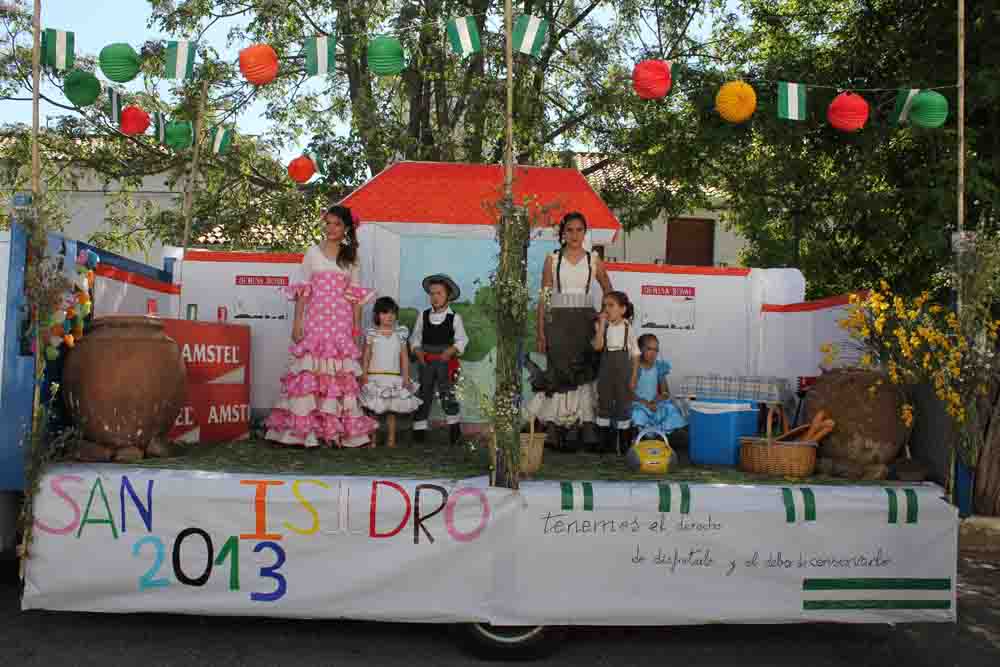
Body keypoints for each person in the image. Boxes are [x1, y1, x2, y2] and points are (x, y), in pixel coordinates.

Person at [265, 205, 378, 448]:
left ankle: (336, 433)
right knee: (310, 374)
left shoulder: (352, 258)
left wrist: (356, 330)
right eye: (328, 223)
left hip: (341, 324)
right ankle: (306, 433)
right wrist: (297, 323)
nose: (331, 228)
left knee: (337, 378)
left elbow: (355, 297)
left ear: (346, 228)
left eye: (337, 224)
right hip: (315, 323)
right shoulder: (312, 253)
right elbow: (303, 292)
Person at [528, 211, 612, 450]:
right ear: (563, 233)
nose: (575, 235)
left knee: (584, 373)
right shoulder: (552, 259)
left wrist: (604, 316)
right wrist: (540, 331)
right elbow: (544, 297)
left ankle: (585, 426)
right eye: (570, 230)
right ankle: (553, 428)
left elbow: (608, 288)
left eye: (579, 230)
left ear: (585, 232)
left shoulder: (593, 260)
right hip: (558, 322)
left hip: (585, 321)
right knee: (557, 372)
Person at [410, 274, 468, 445]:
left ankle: (454, 429)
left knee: (447, 393)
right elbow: (415, 338)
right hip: (426, 361)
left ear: (448, 296)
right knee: (424, 392)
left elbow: (462, 339)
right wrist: (417, 350)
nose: (434, 297)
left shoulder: (454, 318)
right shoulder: (423, 315)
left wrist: (451, 350)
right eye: (432, 293)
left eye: (439, 293)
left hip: (445, 361)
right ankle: (419, 429)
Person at [360, 297, 421, 448]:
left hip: (393, 378)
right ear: (377, 315)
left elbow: (404, 358)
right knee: (374, 409)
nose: (389, 316)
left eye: (393, 313)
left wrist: (406, 377)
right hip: (374, 377)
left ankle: (391, 439)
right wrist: (364, 374)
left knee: (391, 410)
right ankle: (373, 438)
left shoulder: (399, 334)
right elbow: (366, 356)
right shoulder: (372, 334)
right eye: (385, 313)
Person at [592, 291, 640, 455]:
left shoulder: (628, 328)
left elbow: (635, 355)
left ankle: (624, 445)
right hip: (606, 369)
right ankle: (603, 445)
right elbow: (598, 347)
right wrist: (601, 326)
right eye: (605, 305)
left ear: (622, 309)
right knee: (603, 403)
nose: (607, 309)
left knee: (623, 404)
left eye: (611, 305)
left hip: (623, 371)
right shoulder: (601, 326)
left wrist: (633, 377)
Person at [629, 333, 687, 436]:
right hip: (639, 404)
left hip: (655, 404)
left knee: (670, 409)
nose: (653, 353)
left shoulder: (659, 367)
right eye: (649, 349)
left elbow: (665, 392)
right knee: (637, 414)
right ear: (640, 350)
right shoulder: (636, 368)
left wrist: (656, 401)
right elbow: (629, 393)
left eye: (656, 350)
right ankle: (643, 436)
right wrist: (645, 403)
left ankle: (659, 435)